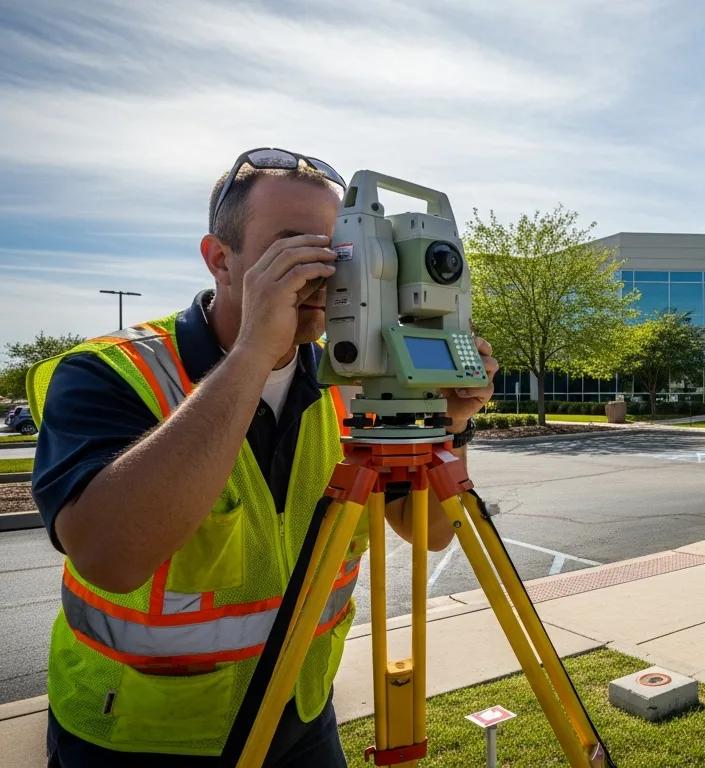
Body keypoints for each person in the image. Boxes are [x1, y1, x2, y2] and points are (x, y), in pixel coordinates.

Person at [29, 148, 498, 766]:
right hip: (142, 735)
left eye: (342, 249)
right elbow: (109, 558)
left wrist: (451, 428)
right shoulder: (111, 372)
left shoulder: (350, 383)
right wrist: (253, 353)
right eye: (295, 248)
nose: (328, 270)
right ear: (220, 260)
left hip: (301, 714)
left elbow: (431, 533)